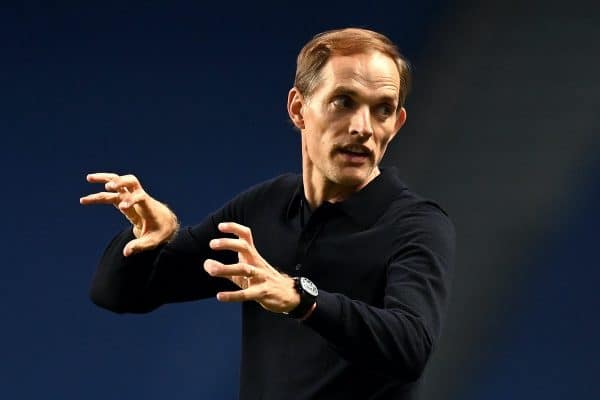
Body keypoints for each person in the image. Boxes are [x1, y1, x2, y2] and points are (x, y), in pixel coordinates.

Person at [81, 27, 455, 400]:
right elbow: (117, 294)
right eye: (344, 101)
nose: (363, 128)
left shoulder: (416, 225)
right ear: (298, 109)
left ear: (397, 123)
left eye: (383, 110)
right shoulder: (266, 207)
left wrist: (302, 299)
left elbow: (410, 346)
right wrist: (152, 236)